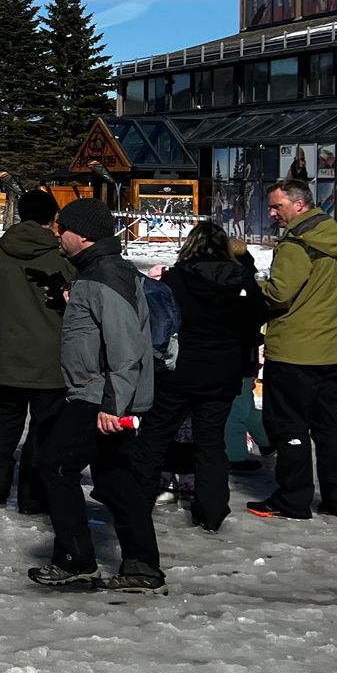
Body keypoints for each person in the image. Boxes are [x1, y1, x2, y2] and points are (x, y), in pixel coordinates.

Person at [32, 198, 163, 593]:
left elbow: (125, 345)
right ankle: (141, 567)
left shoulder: (104, 275)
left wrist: (113, 405)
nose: (58, 234)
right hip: (102, 391)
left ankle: (76, 559)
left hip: (99, 395)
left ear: (83, 235)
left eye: (63, 228)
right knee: (115, 478)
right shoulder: (103, 272)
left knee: (55, 465)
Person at [131, 220, 265, 533]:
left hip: (179, 370)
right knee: (210, 443)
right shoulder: (241, 280)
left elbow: (157, 316)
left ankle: (137, 502)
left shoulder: (176, 278)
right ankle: (212, 510)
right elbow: (260, 315)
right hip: (221, 373)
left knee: (154, 438)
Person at [248, 178, 337, 520]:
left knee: (289, 426)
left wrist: (251, 287)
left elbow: (280, 293)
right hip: (329, 350)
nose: (272, 213)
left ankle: (292, 499)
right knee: (330, 427)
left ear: (299, 204)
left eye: (277, 206)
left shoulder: (297, 243)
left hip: (293, 350)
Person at [0, 189, 73, 510]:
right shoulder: (62, 260)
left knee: (3, 423)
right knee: (45, 429)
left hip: (7, 358)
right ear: (51, 218)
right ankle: (33, 497)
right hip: (51, 360)